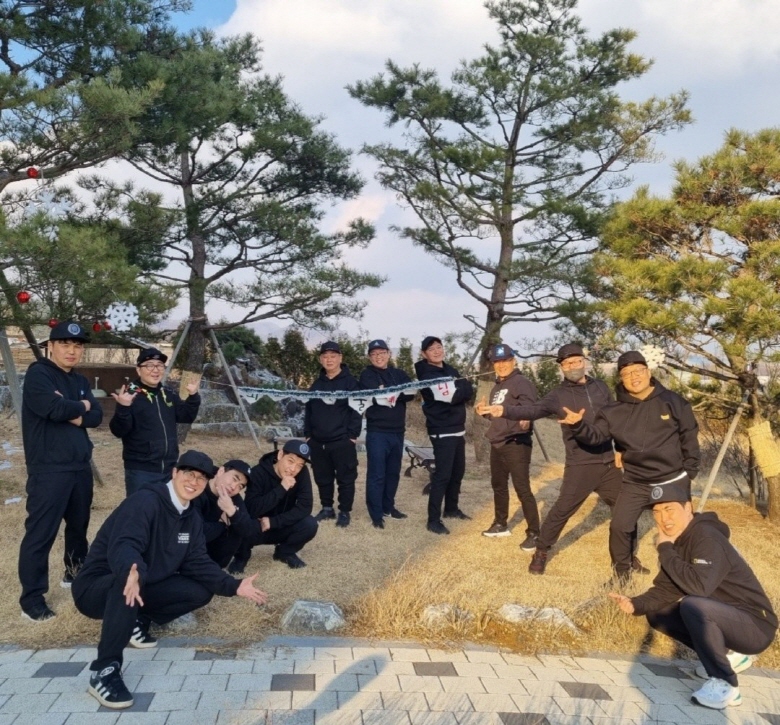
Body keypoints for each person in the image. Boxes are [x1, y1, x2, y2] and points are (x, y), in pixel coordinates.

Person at [71, 450, 268, 710]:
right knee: (127, 580)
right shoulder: (146, 501)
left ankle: (135, 619)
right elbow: (126, 542)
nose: (194, 482)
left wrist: (234, 585)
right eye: (189, 474)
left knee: (200, 590)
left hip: (143, 583)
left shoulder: (190, 517)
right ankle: (104, 670)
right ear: (175, 473)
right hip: (97, 586)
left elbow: (198, 561)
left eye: (201, 478)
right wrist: (131, 570)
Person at [478, 343, 644, 576]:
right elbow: (533, 410)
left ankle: (628, 556)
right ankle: (541, 551)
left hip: (608, 463)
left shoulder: (601, 387)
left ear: (584, 362)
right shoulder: (557, 395)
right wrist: (503, 411)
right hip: (580, 464)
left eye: (576, 361)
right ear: (561, 367)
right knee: (561, 512)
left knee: (625, 511)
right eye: (567, 363)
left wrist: (621, 449)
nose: (572, 366)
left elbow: (616, 420)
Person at [609, 480, 777, 711]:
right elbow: (666, 589)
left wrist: (665, 550)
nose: (663, 518)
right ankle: (727, 656)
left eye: (669, 509)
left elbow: (699, 587)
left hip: (756, 626)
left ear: (688, 507)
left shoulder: (706, 537)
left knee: (693, 605)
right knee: (658, 613)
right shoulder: (678, 542)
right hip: (726, 619)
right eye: (657, 512)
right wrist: (635, 604)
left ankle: (725, 684)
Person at [559, 350, 700, 583]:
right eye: (627, 374)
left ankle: (686, 575)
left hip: (672, 478)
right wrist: (578, 426)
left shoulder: (673, 401)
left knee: (679, 529)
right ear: (621, 379)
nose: (634, 377)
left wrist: (689, 472)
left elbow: (689, 436)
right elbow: (597, 437)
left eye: (638, 371)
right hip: (636, 480)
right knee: (619, 527)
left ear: (648, 372)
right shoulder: (613, 411)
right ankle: (621, 574)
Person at [18, 320, 103, 621]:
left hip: (80, 467)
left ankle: (74, 574)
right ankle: (32, 599)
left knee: (78, 527)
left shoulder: (79, 379)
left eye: (77, 345)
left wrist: (76, 407)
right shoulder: (39, 374)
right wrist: (82, 406)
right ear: (50, 346)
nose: (72, 350)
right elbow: (53, 410)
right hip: (49, 469)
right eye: (65, 344)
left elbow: (97, 416)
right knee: (41, 534)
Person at [109, 347, 201, 496]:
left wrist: (193, 396)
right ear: (138, 370)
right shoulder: (130, 395)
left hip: (169, 468)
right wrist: (123, 408)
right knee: (142, 508)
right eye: (149, 365)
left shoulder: (168, 393)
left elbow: (185, 416)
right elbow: (118, 431)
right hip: (141, 470)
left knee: (166, 508)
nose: (155, 370)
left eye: (159, 366)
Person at [476, 343, 540, 550]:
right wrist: (484, 412)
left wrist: (526, 419)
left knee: (522, 488)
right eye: (497, 362)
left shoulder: (521, 382)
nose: (501, 365)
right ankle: (500, 524)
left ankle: (535, 533)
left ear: (513, 360)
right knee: (499, 485)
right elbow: (499, 416)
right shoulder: (497, 386)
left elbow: (530, 408)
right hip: (498, 441)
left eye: (505, 360)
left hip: (516, 442)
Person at [415, 336, 474, 535]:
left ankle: (451, 508)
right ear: (424, 354)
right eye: (431, 349)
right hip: (442, 430)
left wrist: (464, 387)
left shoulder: (450, 369)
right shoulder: (428, 375)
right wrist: (464, 386)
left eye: (439, 347)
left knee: (458, 472)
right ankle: (433, 520)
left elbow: (468, 392)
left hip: (458, 428)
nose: (437, 351)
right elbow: (455, 396)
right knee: (442, 475)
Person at [233, 439, 318, 570]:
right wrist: (282, 488)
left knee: (310, 524)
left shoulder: (302, 474)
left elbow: (305, 506)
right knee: (240, 523)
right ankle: (241, 556)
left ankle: (284, 552)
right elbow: (251, 508)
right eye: (290, 461)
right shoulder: (258, 472)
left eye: (299, 465)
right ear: (280, 455)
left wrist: (273, 522)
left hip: (281, 524)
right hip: (257, 526)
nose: (293, 469)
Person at [359, 339, 415, 528]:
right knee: (377, 474)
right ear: (370, 357)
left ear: (389, 354)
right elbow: (370, 396)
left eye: (382, 353)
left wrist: (389, 393)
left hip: (398, 431)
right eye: (374, 354)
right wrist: (394, 392)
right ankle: (376, 514)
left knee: (393, 473)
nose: (378, 357)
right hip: (377, 432)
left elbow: (411, 393)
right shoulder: (367, 375)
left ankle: (388, 507)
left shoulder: (399, 374)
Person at [305, 341, 362, 527]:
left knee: (346, 478)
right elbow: (308, 411)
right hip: (317, 441)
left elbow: (357, 411)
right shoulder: (316, 384)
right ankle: (327, 508)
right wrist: (308, 435)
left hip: (342, 441)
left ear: (340, 358)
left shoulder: (351, 383)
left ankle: (344, 511)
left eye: (333, 356)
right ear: (320, 359)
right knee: (323, 477)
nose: (329, 360)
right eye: (325, 356)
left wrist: (352, 436)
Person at [192, 459, 258, 568]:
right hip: (186, 546)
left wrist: (232, 512)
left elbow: (248, 530)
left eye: (240, 486)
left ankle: (215, 567)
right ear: (221, 471)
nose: (234, 487)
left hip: (211, 552)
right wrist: (223, 525)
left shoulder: (233, 497)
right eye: (234, 479)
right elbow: (196, 533)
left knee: (238, 523)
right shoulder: (198, 486)